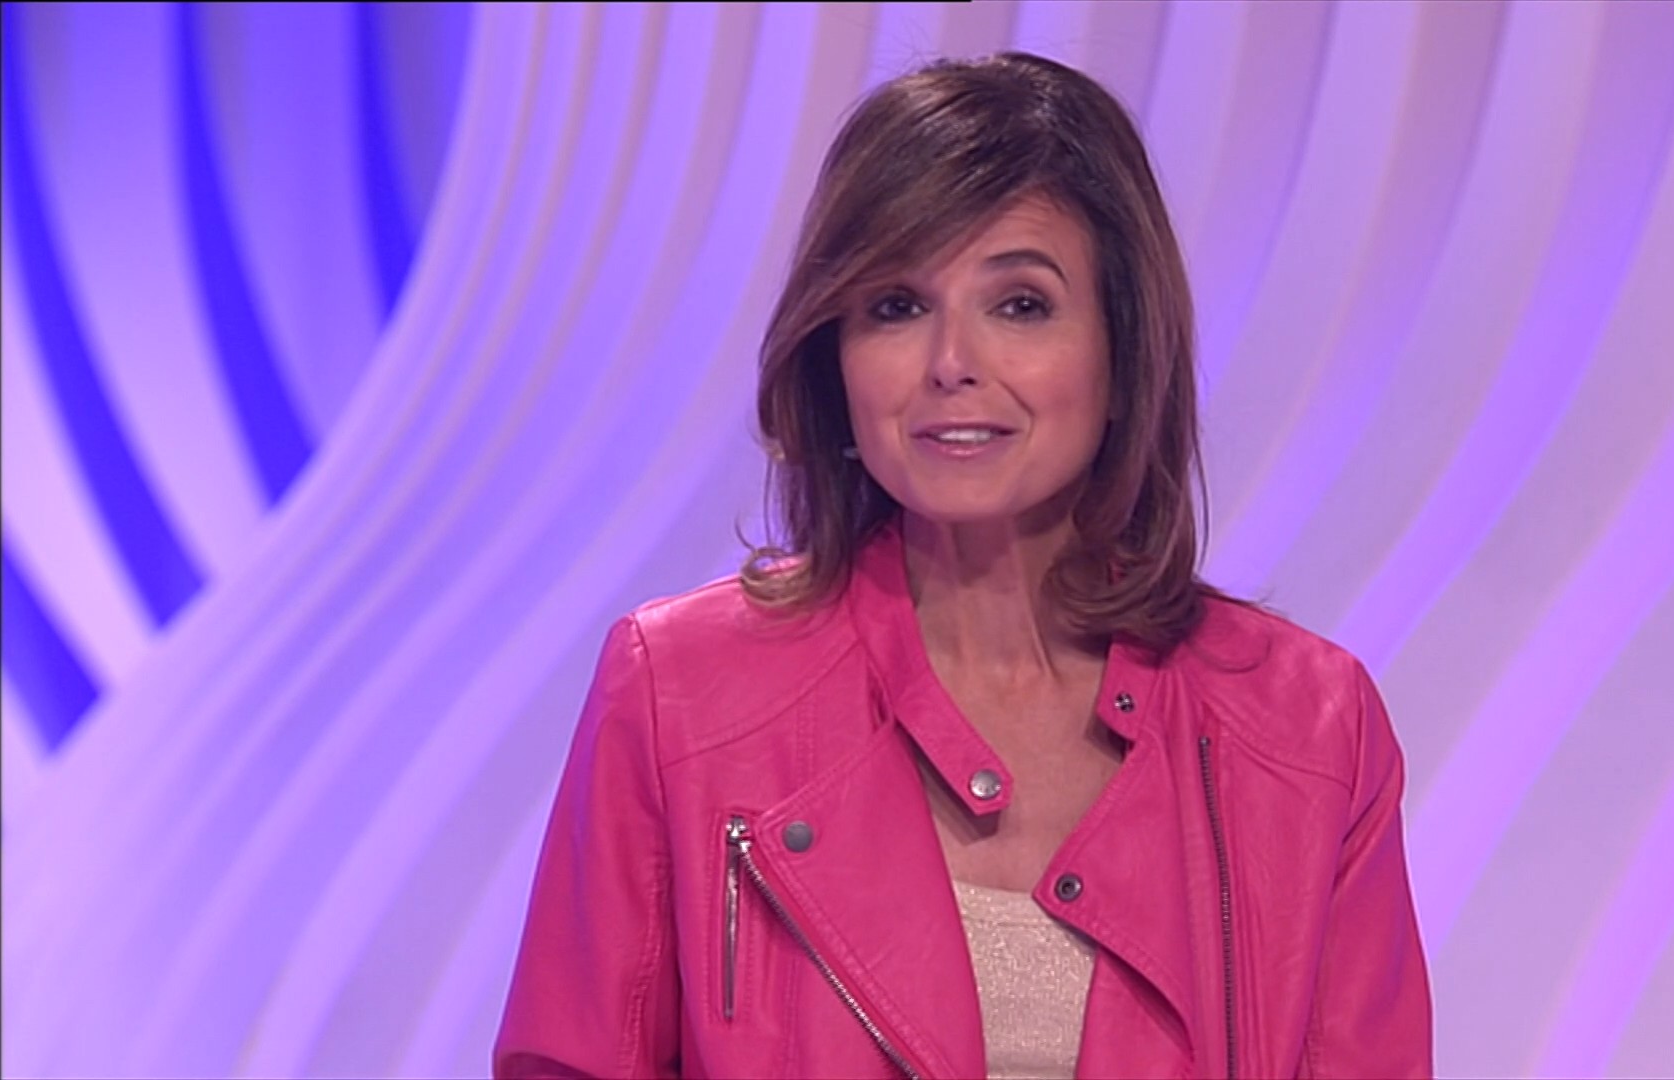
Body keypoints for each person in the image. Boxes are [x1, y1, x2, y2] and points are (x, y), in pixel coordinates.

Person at [495, 51, 1431, 1080]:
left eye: (1020, 304)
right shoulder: (677, 689)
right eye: (896, 306)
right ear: (835, 358)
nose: (952, 363)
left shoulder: (1309, 730)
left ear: (1123, 350)